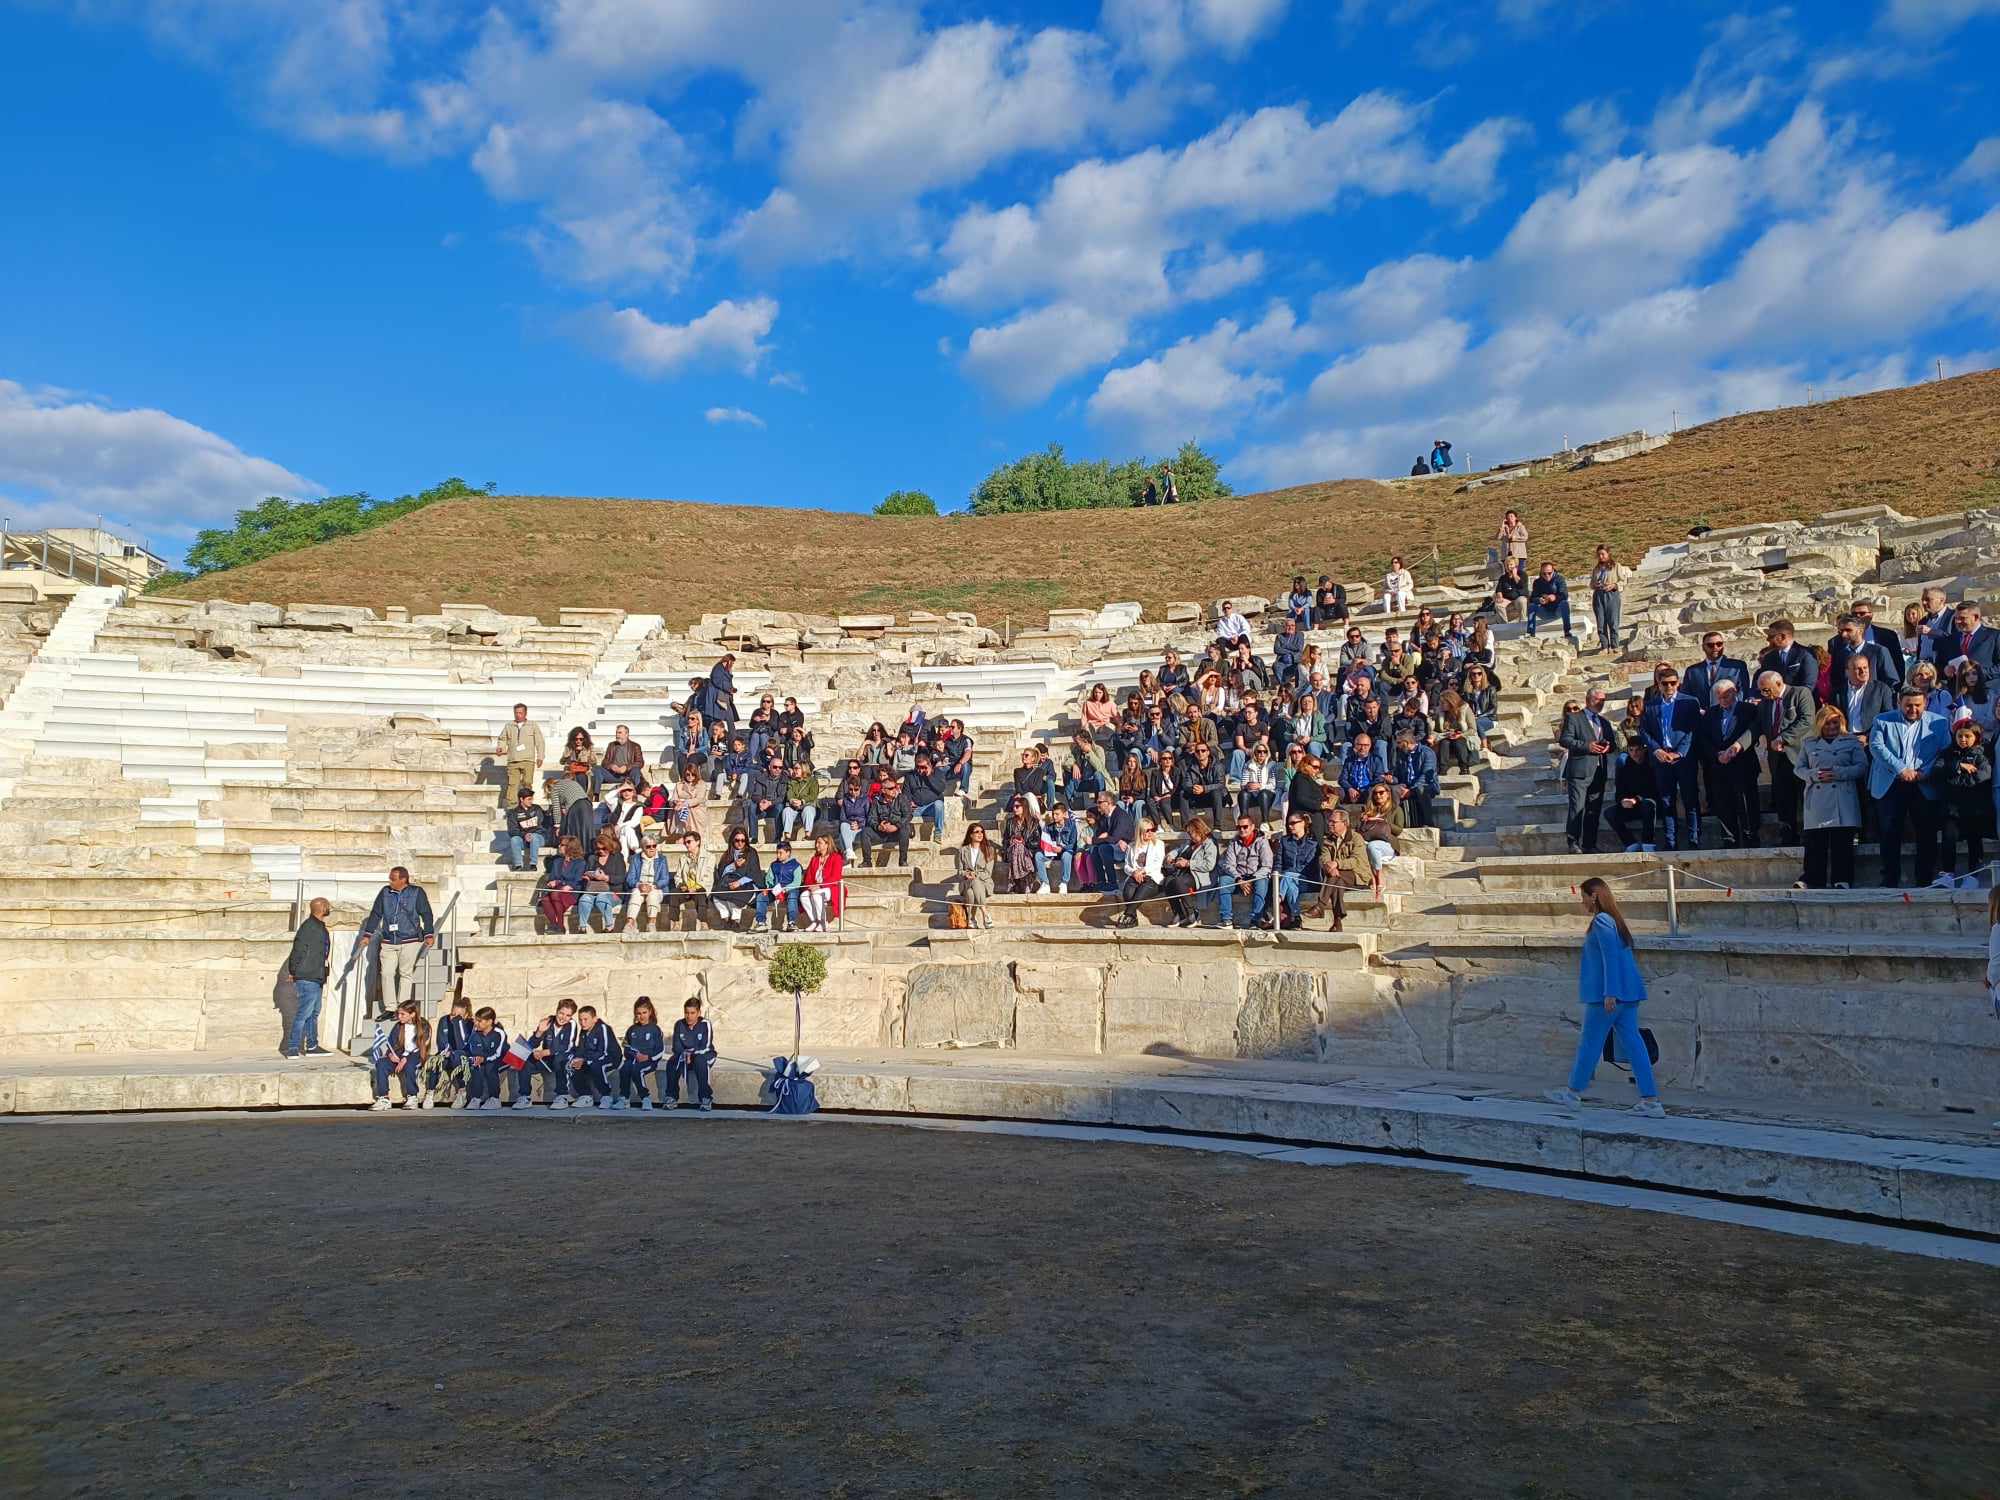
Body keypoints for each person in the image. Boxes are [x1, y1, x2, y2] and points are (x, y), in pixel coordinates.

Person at [1543, 878, 1664, 1116]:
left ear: (1594, 896)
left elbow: (1611, 957)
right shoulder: (1614, 921)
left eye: (1583, 896)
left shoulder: (1601, 921)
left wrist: (1611, 993)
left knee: (1590, 1043)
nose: (1582, 902)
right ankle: (1651, 1101)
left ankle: (1572, 1093)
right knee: (1634, 1045)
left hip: (1609, 997)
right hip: (1627, 994)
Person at [1869, 687, 1952, 888]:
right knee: (1889, 833)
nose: (1913, 709)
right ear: (1899, 703)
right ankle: (1890, 878)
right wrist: (1901, 769)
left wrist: (1926, 771)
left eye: (1917, 705)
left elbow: (1945, 751)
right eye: (1908, 705)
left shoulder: (1939, 723)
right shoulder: (1882, 720)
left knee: (1926, 833)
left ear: (1925, 703)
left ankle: (1924, 878)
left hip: (1923, 784)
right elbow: (1876, 747)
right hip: (1891, 783)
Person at [359, 866, 435, 1010]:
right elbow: (376, 913)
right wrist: (367, 934)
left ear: (403, 879)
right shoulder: (385, 892)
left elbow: (426, 913)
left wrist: (429, 933)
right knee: (386, 973)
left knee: (405, 973)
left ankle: (403, 1006)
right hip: (388, 940)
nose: (390, 881)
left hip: (410, 939)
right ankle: (390, 1007)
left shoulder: (416, 892)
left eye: (393, 879)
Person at [1641, 670, 1701, 850]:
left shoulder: (1689, 702)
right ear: (1658, 684)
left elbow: (1693, 729)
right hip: (1662, 758)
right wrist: (1656, 749)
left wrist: (1680, 752)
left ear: (1678, 683)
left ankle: (1694, 839)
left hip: (1684, 758)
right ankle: (1671, 841)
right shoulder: (1651, 705)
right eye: (1665, 683)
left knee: (1690, 798)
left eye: (1672, 683)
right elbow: (1644, 730)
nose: (1669, 686)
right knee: (1667, 800)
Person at [1696, 678, 1760, 848]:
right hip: (1719, 766)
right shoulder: (1710, 713)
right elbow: (1704, 739)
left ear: (1734, 692)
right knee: (1723, 805)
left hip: (1743, 765)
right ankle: (1729, 839)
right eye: (1719, 697)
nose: (1722, 700)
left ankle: (1750, 837)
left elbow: (1753, 732)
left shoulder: (1749, 710)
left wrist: (1734, 750)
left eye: (1725, 695)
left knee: (1746, 803)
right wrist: (1717, 754)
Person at [1756, 668, 1816, 843]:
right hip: (1778, 759)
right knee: (1784, 799)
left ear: (1779, 684)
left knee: (1805, 797)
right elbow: (1757, 727)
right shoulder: (1765, 704)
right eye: (1761, 690)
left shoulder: (1800, 693)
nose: (1764, 693)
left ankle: (1810, 834)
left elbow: (1806, 719)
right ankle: (1788, 835)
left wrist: (1784, 738)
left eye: (1766, 689)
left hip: (1800, 756)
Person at [1930, 720, 1993, 886]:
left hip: (1974, 808)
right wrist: (1959, 766)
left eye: (1968, 736)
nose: (1963, 739)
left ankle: (1973, 875)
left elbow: (1983, 775)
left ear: (1976, 737)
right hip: (1951, 808)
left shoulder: (1982, 754)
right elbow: (1937, 771)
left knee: (1974, 840)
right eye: (1960, 736)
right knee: (1948, 839)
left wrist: (1958, 780)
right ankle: (1948, 874)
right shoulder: (1947, 753)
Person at [1559, 690, 1614, 854]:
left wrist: (1609, 746)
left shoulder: (1604, 722)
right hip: (1579, 771)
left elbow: (1613, 743)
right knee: (1577, 807)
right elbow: (1565, 740)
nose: (1601, 703)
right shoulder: (1574, 718)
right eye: (1598, 699)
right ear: (1588, 700)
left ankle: (1589, 844)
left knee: (1593, 810)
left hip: (1599, 770)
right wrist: (1587, 746)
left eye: (1603, 700)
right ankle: (1573, 842)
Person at [281, 896, 332, 1059]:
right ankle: (293, 1047)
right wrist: (293, 970)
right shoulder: (309, 927)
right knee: (304, 1013)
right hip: (307, 976)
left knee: (313, 1013)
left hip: (316, 976)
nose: (329, 908)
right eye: (328, 905)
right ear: (322, 907)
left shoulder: (319, 926)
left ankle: (312, 1046)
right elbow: (297, 949)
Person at [367, 999, 429, 1110]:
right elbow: (391, 1044)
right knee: (381, 1063)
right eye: (398, 1014)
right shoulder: (399, 1026)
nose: (399, 1017)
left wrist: (405, 1059)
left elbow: (419, 1048)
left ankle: (412, 1096)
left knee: (409, 1066)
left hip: (416, 1056)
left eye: (402, 1014)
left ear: (412, 1014)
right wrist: (391, 1055)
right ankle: (384, 1098)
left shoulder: (423, 1026)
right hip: (399, 1056)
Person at [1216, 814, 1273, 929]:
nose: (1242, 829)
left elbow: (1267, 866)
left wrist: (1252, 879)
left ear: (1252, 827)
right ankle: (1226, 919)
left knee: (1262, 882)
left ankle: (1256, 919)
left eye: (1245, 826)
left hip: (1256, 876)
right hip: (1239, 877)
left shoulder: (1262, 842)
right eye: (1239, 827)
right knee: (1224, 881)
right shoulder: (1234, 842)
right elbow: (1229, 865)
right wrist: (1239, 879)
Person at [522, 998, 580, 1109]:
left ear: (571, 1016)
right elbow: (532, 1044)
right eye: (561, 1013)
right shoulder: (548, 1021)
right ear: (556, 1011)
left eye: (568, 1015)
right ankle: (525, 1097)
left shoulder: (572, 1024)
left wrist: (545, 1052)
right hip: (547, 1059)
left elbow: (567, 1046)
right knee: (525, 1059)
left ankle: (562, 1096)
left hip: (565, 1057)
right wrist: (540, 1031)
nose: (563, 1017)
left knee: (560, 1058)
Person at [1112, 818, 1167, 928]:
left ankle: (1127, 915)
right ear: (1140, 831)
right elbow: (1127, 866)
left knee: (1142, 889)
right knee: (1128, 892)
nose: (1151, 832)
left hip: (1152, 878)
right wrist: (1134, 872)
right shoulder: (1131, 846)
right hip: (1135, 877)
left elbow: (1157, 864)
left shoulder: (1159, 844)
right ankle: (1133, 918)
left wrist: (1143, 871)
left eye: (1153, 829)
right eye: (1147, 830)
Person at [424, 991, 475, 1110]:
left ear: (466, 1015)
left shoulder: (469, 1024)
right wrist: (445, 1051)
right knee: (436, 1061)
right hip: (446, 1053)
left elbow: (463, 1045)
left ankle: (462, 1092)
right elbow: (440, 1040)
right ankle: (430, 1093)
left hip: (460, 1054)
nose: (453, 1018)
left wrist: (458, 1024)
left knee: (458, 1057)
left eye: (457, 1015)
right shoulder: (444, 1020)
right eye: (453, 1014)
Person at [614, 996, 664, 1111]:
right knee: (625, 1068)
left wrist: (648, 1057)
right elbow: (626, 1048)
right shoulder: (632, 1030)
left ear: (650, 1012)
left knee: (637, 1070)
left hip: (649, 1061)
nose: (641, 1016)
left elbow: (660, 1051)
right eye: (638, 1013)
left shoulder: (655, 1029)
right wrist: (634, 1055)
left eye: (644, 1013)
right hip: (633, 1059)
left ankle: (645, 1098)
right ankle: (624, 1099)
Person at [1608, 739, 1658, 852]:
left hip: (1649, 806)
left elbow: (1653, 790)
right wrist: (1622, 801)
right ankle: (1631, 844)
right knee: (1609, 813)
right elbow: (1619, 790)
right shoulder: (1624, 767)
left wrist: (1636, 799)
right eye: (1631, 750)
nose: (1634, 753)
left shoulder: (1651, 765)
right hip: (1631, 806)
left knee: (1648, 804)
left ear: (1644, 750)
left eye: (1637, 750)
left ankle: (1648, 843)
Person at [666, 997, 716, 1111]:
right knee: (672, 1062)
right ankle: (671, 1097)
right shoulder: (679, 1024)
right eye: (686, 1013)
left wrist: (691, 1053)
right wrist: (685, 1053)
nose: (689, 1016)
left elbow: (705, 1046)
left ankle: (706, 1098)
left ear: (698, 1013)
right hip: (685, 1056)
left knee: (699, 1060)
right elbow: (676, 1046)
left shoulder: (705, 1024)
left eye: (692, 1013)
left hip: (705, 1055)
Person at [568, 1004, 620, 1109]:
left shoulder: (603, 1028)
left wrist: (584, 1060)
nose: (583, 1023)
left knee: (596, 1065)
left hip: (610, 1058)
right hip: (590, 1058)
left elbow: (603, 1052)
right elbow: (581, 1050)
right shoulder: (583, 1031)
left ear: (594, 1019)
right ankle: (586, 1096)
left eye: (586, 1019)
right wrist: (577, 1059)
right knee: (571, 1065)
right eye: (580, 1020)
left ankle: (606, 1096)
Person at [1273, 812, 1320, 929]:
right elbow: (1278, 863)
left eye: (1293, 823)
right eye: (1288, 824)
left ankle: (1278, 899)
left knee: (1289, 875)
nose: (1290, 826)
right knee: (1292, 887)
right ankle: (1296, 917)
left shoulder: (1313, 843)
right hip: (1288, 881)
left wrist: (1289, 874)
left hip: (1306, 879)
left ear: (1303, 823)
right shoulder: (1284, 841)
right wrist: (1278, 876)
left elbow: (1309, 867)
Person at [495, 702, 545, 806]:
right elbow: (502, 739)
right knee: (512, 784)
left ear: (525, 713)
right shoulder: (509, 725)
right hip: (513, 760)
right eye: (516, 713)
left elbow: (540, 741)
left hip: (528, 759)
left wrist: (540, 757)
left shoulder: (533, 725)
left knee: (527, 783)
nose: (518, 715)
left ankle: (527, 804)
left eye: (520, 713)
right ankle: (512, 807)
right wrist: (501, 747)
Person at [575, 832, 626, 932]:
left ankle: (610, 926)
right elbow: (587, 872)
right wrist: (588, 876)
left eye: (604, 848)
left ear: (609, 847)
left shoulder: (617, 857)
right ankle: (582, 927)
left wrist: (605, 878)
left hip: (615, 893)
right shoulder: (592, 858)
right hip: (593, 889)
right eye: (598, 849)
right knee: (584, 899)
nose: (601, 851)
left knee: (601, 898)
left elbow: (621, 878)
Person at [860, 774, 914, 868]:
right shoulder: (876, 802)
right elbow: (871, 818)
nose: (894, 790)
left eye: (895, 787)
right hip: (883, 832)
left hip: (898, 831)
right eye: (891, 788)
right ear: (883, 790)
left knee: (905, 828)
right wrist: (878, 826)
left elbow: (908, 815)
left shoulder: (901, 798)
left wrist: (896, 826)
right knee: (865, 832)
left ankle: (903, 861)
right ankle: (867, 861)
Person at [711, 827, 761, 928]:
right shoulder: (727, 854)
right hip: (728, 882)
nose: (740, 843)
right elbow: (721, 873)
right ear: (732, 840)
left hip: (746, 884)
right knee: (716, 895)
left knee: (736, 895)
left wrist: (739, 882)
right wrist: (734, 865)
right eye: (737, 840)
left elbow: (755, 872)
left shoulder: (751, 852)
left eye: (743, 840)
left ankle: (735, 920)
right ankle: (726, 918)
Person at [755, 839, 804, 932]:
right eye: (777, 853)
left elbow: (797, 882)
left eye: (780, 853)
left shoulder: (796, 865)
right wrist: (769, 887)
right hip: (775, 889)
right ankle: (761, 922)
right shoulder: (774, 865)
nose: (778, 855)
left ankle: (792, 922)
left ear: (788, 853)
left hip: (790, 889)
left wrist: (784, 889)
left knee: (793, 896)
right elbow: (769, 878)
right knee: (762, 896)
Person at [626, 833, 671, 930]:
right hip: (640, 887)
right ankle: (630, 923)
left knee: (653, 895)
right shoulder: (635, 859)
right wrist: (639, 885)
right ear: (643, 847)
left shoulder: (662, 859)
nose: (652, 848)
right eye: (648, 846)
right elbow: (630, 879)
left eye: (654, 846)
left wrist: (653, 886)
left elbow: (665, 879)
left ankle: (651, 923)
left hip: (656, 887)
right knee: (635, 894)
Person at [953, 824, 995, 929]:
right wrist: (966, 874)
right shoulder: (962, 850)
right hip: (967, 882)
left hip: (984, 883)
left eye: (982, 832)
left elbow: (988, 872)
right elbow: (959, 871)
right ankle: (985, 915)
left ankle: (972, 918)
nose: (980, 834)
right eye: (977, 832)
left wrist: (975, 874)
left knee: (972, 889)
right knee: (970, 890)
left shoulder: (989, 850)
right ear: (971, 835)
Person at [801, 832, 845, 932]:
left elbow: (835, 877)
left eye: (819, 843)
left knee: (817, 894)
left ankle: (823, 922)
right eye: (816, 843)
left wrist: (819, 886)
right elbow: (809, 876)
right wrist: (811, 886)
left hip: (832, 887)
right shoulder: (815, 859)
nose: (817, 845)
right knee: (803, 896)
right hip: (816, 887)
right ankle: (815, 921)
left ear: (827, 844)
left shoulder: (836, 858)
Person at [540, 835, 585, 932]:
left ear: (570, 847)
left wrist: (560, 882)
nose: (559, 846)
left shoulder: (580, 863)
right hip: (557, 890)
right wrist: (552, 882)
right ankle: (554, 925)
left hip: (572, 891)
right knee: (545, 900)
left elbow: (577, 881)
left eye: (562, 845)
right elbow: (552, 878)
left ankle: (560, 926)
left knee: (555, 894)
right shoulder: (557, 861)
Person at [465, 1007, 506, 1110]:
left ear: (489, 1021)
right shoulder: (475, 1033)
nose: (476, 1023)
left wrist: (484, 1059)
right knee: (476, 1067)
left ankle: (495, 1099)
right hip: (483, 1059)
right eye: (476, 1020)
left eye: (479, 1021)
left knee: (490, 1067)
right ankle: (476, 1098)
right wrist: (477, 1059)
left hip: (500, 1060)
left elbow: (498, 1054)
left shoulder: (499, 1033)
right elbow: (472, 1049)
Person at [1525, 562, 1575, 643]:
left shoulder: (1560, 579)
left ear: (1553, 571)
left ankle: (1567, 631)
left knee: (1564, 603)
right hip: (1544, 610)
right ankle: (1531, 633)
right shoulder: (1537, 582)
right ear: (1541, 573)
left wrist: (1555, 597)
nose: (1547, 575)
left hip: (1558, 610)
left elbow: (1564, 595)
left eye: (1549, 573)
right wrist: (1539, 600)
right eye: (1544, 574)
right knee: (1532, 606)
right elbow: (1533, 598)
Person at [1588, 545, 1623, 655]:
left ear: (1608, 554)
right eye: (1599, 555)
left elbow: (1623, 581)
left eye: (1603, 554)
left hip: (1611, 595)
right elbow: (1591, 584)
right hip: (1598, 595)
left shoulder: (1616, 566)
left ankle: (1615, 645)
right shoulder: (1596, 569)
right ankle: (1604, 646)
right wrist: (1595, 584)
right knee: (1601, 621)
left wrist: (1613, 585)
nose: (1601, 556)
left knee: (1613, 621)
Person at [506, 787, 552, 872]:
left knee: (534, 836)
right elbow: (512, 831)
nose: (531, 801)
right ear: (521, 799)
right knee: (514, 839)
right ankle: (517, 865)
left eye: (532, 799)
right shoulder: (514, 813)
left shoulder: (537, 809)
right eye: (529, 799)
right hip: (524, 839)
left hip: (539, 838)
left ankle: (533, 864)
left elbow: (544, 823)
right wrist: (524, 835)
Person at [596, 724, 647, 796]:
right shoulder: (611, 745)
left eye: (619, 733)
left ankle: (634, 795)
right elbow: (604, 762)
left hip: (628, 776)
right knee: (597, 769)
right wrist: (612, 766)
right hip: (613, 775)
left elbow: (640, 762)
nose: (617, 735)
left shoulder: (635, 746)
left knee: (636, 770)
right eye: (616, 733)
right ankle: (596, 795)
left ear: (626, 734)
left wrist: (626, 767)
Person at [1488, 558, 1527, 622]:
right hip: (1507, 600)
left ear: (1516, 565)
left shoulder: (1522, 574)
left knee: (1522, 600)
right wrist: (1500, 596)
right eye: (1507, 565)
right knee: (1498, 605)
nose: (1509, 567)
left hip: (1518, 598)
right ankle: (1504, 624)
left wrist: (1515, 575)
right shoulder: (1503, 577)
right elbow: (1498, 590)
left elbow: (1521, 585)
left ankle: (1523, 621)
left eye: (1511, 564)